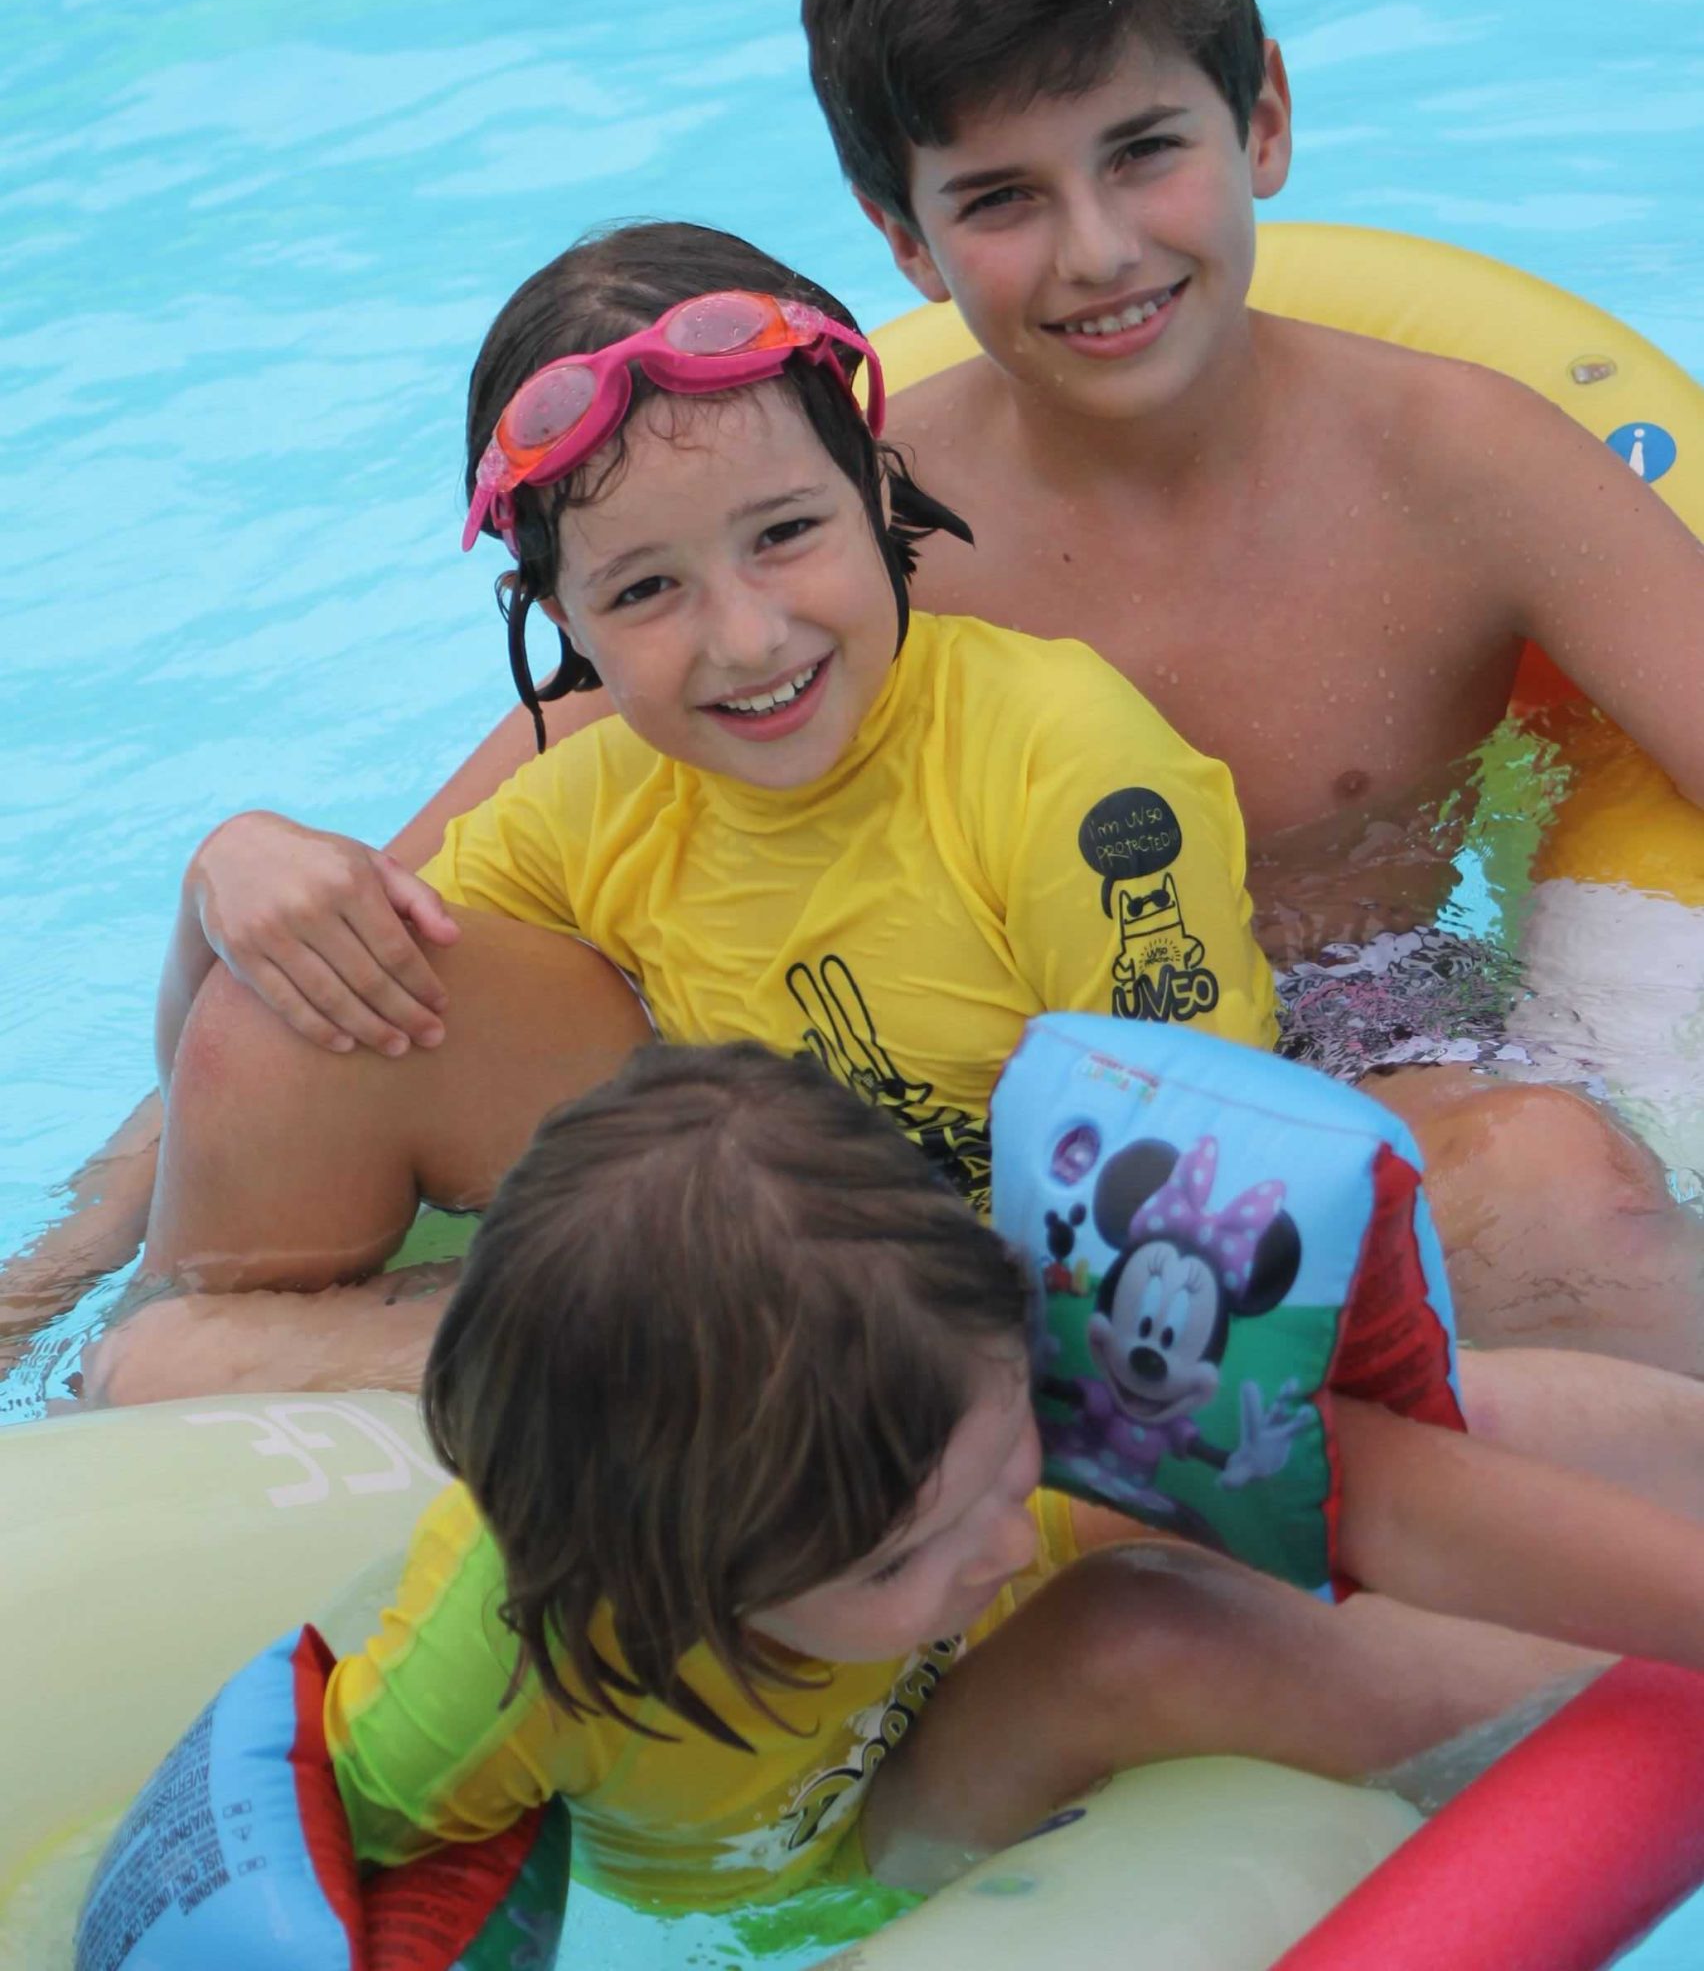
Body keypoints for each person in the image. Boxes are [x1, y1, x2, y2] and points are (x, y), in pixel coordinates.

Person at [75, 224, 1275, 1403]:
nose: (747, 638)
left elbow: (1190, 1256)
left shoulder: (1065, 770)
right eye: (647, 587)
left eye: (785, 533)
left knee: (171, 1365)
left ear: (872, 486)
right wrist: (216, 887)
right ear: (563, 620)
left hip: (984, 1333)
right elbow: (261, 1063)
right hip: (779, 1264)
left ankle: (372, 1358)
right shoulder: (593, 811)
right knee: (314, 1004)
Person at [215, 1043, 1704, 1944]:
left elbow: (1386, 1495)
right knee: (1134, 1630)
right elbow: (303, 1856)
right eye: (901, 1557)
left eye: (1003, 1467)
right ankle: (1602, 1710)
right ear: (680, 1581)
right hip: (840, 1859)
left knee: (1417, 1423)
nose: (999, 1539)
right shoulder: (506, 1670)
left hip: (941, 1654)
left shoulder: (954, 1366)